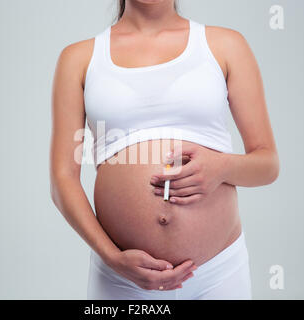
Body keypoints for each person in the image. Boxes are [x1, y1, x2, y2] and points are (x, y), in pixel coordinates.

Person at [50, 0, 279, 299]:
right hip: (122, 278)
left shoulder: (225, 45)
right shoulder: (79, 58)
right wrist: (112, 258)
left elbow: (268, 163)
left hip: (218, 274)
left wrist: (220, 167)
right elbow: (62, 178)